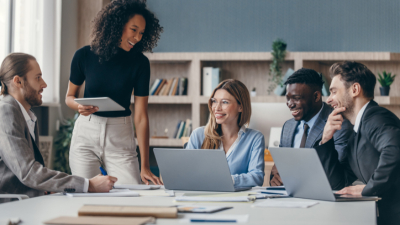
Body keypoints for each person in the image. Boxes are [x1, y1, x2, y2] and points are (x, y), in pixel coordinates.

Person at [65, 0, 163, 185]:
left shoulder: (140, 63)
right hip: (86, 132)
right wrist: (79, 106)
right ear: (118, 25)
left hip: (120, 135)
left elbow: (141, 116)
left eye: (142, 32)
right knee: (87, 193)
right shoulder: (84, 55)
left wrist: (145, 165)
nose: (138, 37)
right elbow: (69, 97)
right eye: (133, 30)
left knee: (131, 192)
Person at [0, 53, 117, 203]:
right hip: (10, 205)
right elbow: (28, 172)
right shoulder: (6, 112)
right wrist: (89, 185)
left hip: (26, 199)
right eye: (37, 78)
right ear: (18, 81)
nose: (44, 84)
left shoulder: (25, 114)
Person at [316, 61, 400, 225]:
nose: (329, 100)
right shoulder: (356, 133)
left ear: (354, 89)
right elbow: (339, 183)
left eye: (333, 92)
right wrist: (326, 139)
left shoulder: (376, 117)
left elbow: (394, 150)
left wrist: (368, 188)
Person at [270, 68, 353, 186]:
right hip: (289, 199)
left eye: (296, 98)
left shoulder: (338, 124)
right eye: (288, 98)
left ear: (316, 96)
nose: (290, 104)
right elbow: (278, 168)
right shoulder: (288, 126)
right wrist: (274, 179)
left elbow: (337, 178)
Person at [186, 79, 265, 187]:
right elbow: (186, 174)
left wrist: (223, 180)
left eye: (224, 102)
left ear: (240, 106)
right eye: (214, 101)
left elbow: (256, 178)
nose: (217, 108)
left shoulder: (255, 138)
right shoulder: (198, 135)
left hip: (238, 201)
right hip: (203, 199)